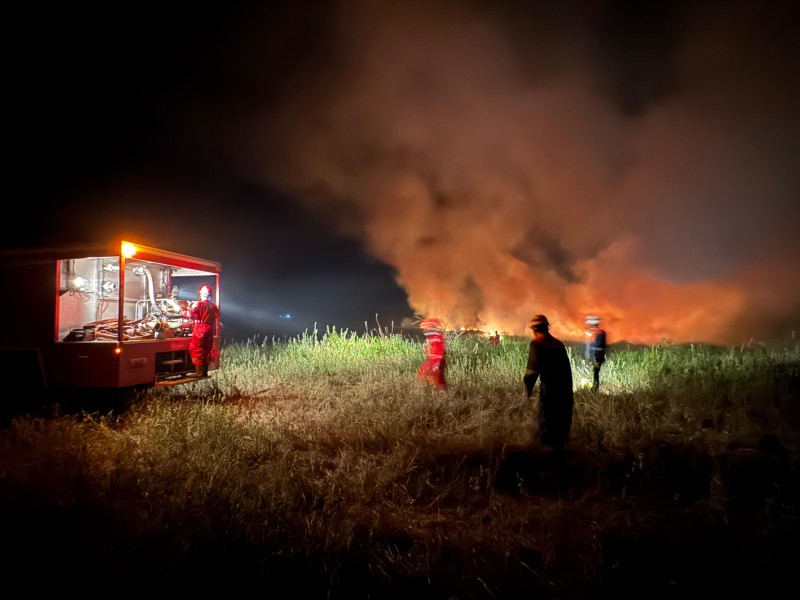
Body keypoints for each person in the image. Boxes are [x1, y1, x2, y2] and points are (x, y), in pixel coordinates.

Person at [523, 314, 574, 451]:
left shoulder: (537, 344)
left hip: (550, 394)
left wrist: (527, 393)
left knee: (547, 430)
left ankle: (548, 463)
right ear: (547, 327)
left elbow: (531, 373)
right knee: (561, 431)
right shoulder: (559, 344)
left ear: (534, 330)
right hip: (566, 395)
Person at [184, 284, 219, 377]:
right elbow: (216, 316)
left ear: (202, 294)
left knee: (196, 349)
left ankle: (198, 372)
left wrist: (182, 311)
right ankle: (204, 372)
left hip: (200, 328)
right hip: (209, 328)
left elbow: (189, 314)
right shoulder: (213, 306)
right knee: (206, 350)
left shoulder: (198, 304)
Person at [417, 317, 446, 391]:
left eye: (427, 327)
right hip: (432, 362)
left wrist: (437, 365)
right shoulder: (431, 338)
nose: (425, 330)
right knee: (430, 378)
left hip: (436, 362)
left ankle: (441, 395)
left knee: (437, 380)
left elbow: (439, 352)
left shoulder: (436, 337)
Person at [584, 315, 607, 393]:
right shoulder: (597, 333)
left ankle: (595, 389)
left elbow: (599, 346)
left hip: (598, 357)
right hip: (597, 356)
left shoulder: (600, 333)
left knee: (596, 373)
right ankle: (594, 388)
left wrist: (596, 358)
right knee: (595, 372)